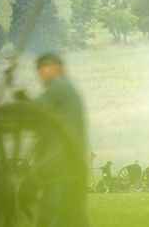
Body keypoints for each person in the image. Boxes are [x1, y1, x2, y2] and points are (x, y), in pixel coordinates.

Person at [34, 54, 88, 226]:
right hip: (67, 158)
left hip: (61, 161)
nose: (41, 72)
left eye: (45, 67)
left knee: (55, 209)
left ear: (57, 68)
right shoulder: (64, 87)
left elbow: (33, 110)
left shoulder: (60, 87)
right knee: (72, 211)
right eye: (40, 68)